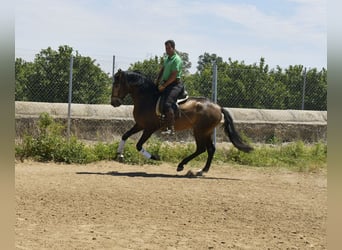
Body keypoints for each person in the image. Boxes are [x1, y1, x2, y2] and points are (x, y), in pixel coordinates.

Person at [155, 40, 184, 135]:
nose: (167, 50)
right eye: (166, 48)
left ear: (173, 48)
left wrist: (164, 86)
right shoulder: (167, 58)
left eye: (168, 48)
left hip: (175, 85)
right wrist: (157, 81)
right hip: (166, 84)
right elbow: (162, 70)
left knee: (167, 104)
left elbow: (174, 76)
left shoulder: (177, 59)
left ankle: (171, 128)